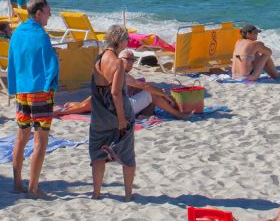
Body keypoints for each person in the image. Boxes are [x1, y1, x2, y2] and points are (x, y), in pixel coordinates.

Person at [7, 0, 59, 198]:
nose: (50, 15)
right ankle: (33, 188)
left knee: (21, 137)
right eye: (48, 11)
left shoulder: (18, 32)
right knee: (40, 140)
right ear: (38, 13)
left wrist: (14, 85)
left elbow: (12, 61)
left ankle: (17, 183)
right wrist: (51, 82)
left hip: (22, 89)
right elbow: (51, 66)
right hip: (40, 91)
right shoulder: (42, 35)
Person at [55, 49, 192, 120]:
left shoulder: (116, 71)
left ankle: (145, 115)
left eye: (133, 60)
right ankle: (178, 115)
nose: (131, 62)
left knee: (149, 93)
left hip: (115, 108)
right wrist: (163, 94)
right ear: (120, 59)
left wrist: (76, 105)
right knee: (151, 93)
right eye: (128, 59)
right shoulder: (121, 73)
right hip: (121, 111)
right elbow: (145, 87)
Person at [89, 24, 135, 200]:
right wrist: (122, 120)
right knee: (128, 155)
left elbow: (98, 87)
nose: (127, 42)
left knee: (97, 153)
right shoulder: (117, 63)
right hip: (115, 112)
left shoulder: (98, 59)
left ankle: (96, 192)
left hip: (99, 112)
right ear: (120, 41)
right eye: (127, 39)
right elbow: (115, 93)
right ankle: (128, 194)